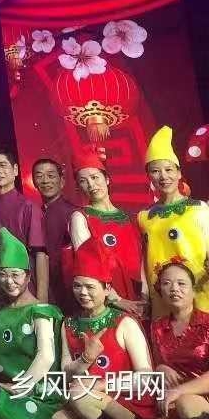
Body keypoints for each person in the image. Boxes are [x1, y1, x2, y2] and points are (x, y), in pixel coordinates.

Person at [55, 235, 156, 419]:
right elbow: (66, 375)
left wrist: (102, 385)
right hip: (85, 403)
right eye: (77, 286)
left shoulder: (124, 322)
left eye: (90, 287)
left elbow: (147, 378)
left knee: (81, 396)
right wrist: (85, 359)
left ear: (107, 288)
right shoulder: (69, 323)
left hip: (126, 405)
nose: (83, 292)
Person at [0, 228, 66, 419]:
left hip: (38, 392)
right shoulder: (1, 311)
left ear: (28, 276)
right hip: (3, 389)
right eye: (3, 274)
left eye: (15, 274)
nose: (9, 281)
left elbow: (46, 357)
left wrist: (19, 388)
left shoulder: (41, 311)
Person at [139, 126, 209, 314]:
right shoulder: (144, 216)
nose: (163, 176)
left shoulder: (199, 209)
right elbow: (144, 261)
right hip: (160, 298)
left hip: (199, 293)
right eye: (155, 171)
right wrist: (145, 294)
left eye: (169, 169)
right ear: (149, 176)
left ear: (179, 173)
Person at [66, 146, 143, 314]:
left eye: (95, 177)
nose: (91, 185)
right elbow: (88, 267)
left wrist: (145, 294)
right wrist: (117, 300)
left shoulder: (128, 217)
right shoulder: (80, 217)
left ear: (107, 179)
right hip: (106, 300)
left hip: (138, 296)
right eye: (83, 181)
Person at [148, 259, 209, 419]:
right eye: (167, 283)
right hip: (171, 401)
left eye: (181, 283)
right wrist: (159, 368)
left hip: (201, 399)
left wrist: (180, 391)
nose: (174, 288)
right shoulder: (157, 327)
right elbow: (151, 366)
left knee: (186, 403)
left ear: (194, 290)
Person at [0, 146, 50, 302]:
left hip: (25, 285)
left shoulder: (28, 207)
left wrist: (42, 298)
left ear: (15, 170)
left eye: (3, 165)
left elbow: (40, 254)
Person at [31, 157, 75, 306]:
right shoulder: (35, 212)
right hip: (42, 287)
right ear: (34, 182)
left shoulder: (73, 213)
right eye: (39, 176)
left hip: (66, 289)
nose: (45, 181)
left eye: (51, 175)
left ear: (62, 181)